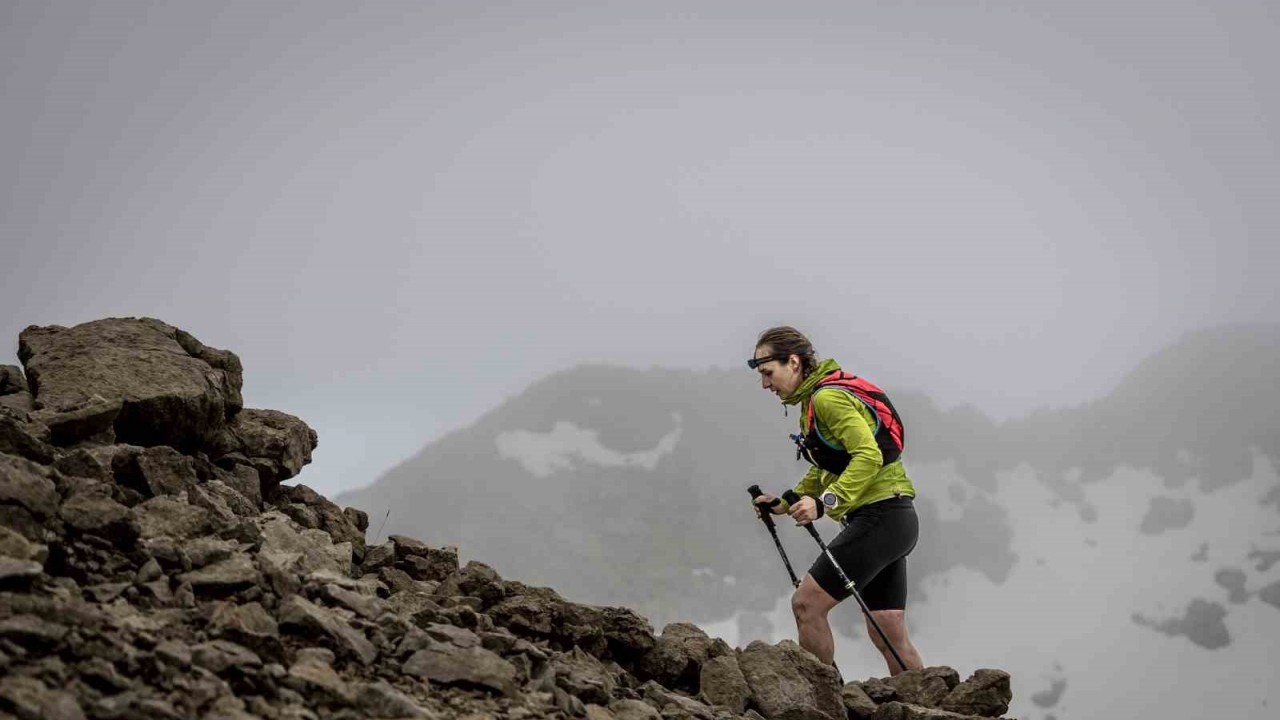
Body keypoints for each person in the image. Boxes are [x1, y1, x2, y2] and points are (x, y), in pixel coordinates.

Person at [749, 326, 924, 675]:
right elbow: (827, 467)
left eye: (768, 373)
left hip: (880, 516)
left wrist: (825, 503)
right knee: (886, 627)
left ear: (794, 362)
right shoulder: (814, 401)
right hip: (896, 518)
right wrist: (785, 502)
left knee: (806, 605)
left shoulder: (826, 399)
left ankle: (821, 703)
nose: (765, 385)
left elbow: (868, 456)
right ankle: (928, 707)